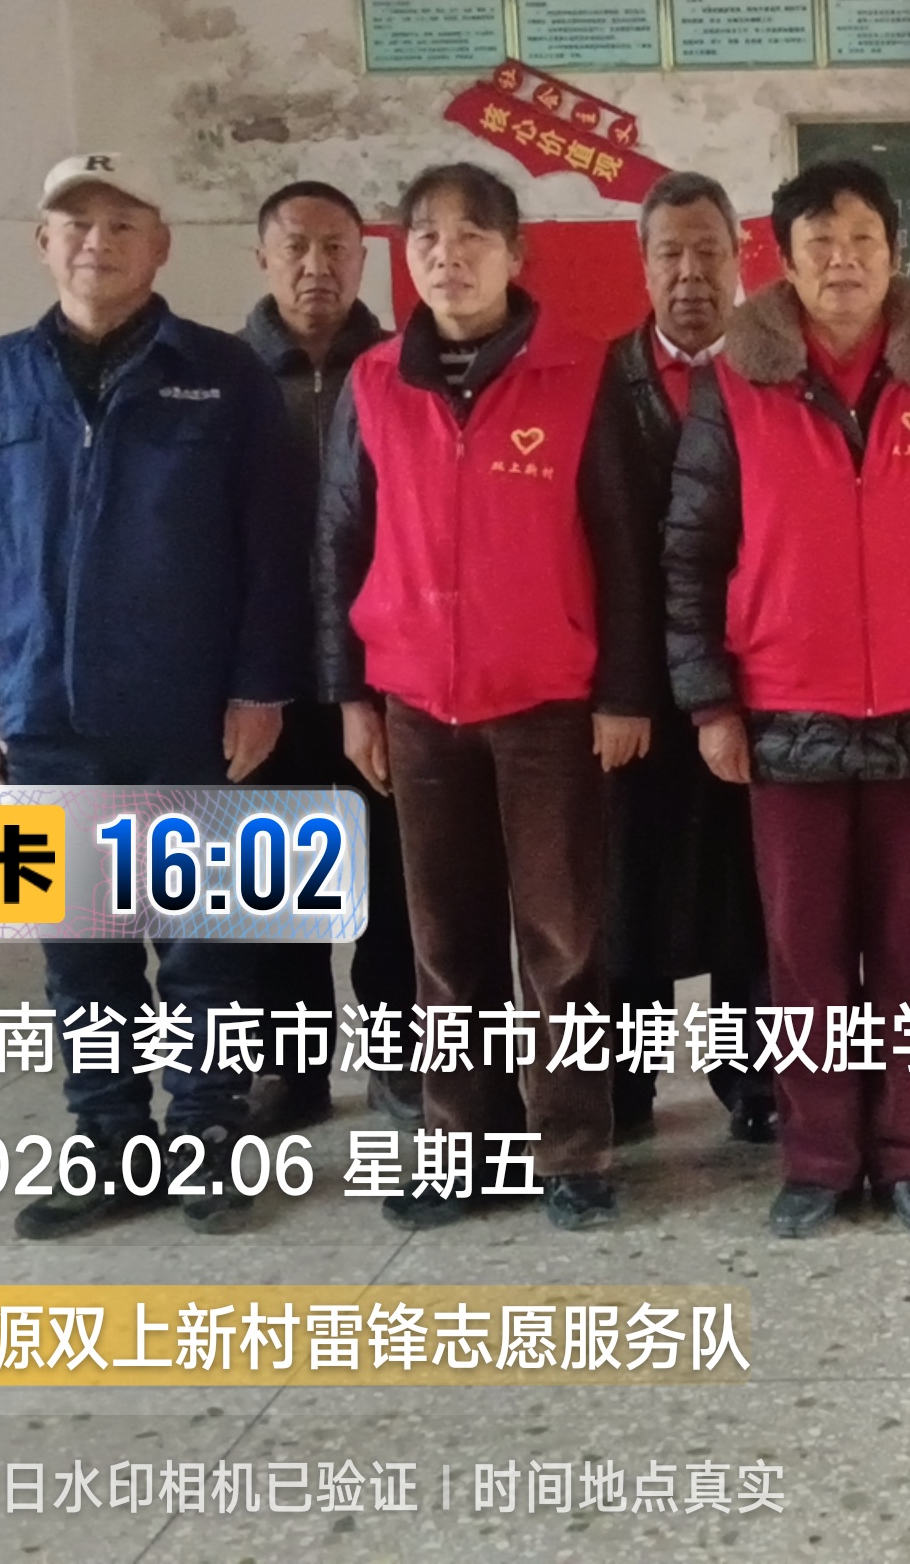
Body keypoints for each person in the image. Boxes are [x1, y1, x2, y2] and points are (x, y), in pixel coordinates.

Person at [0, 152, 306, 1239]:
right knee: (81, 950)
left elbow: (272, 549)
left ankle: (207, 1135)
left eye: (122, 223)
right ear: (44, 244)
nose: (98, 241)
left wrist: (260, 685)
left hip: (190, 712)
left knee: (206, 943)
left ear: (161, 245)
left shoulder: (225, 376)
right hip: (42, 712)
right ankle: (110, 1141)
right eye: (76, 223)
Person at [664, 159, 910, 1240]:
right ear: (785, 260)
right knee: (803, 956)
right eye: (819, 243)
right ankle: (818, 1156)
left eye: (862, 239)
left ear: (895, 252)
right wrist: (709, 702)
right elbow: (692, 549)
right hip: (785, 707)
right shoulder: (738, 384)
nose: (843, 261)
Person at [316, 161, 663, 1233]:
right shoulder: (376, 381)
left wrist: (623, 691)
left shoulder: (578, 371)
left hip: (549, 704)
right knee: (444, 944)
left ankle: (573, 1149)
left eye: (473, 236)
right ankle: (461, 1145)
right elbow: (340, 540)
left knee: (561, 941)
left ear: (516, 253)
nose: (448, 255)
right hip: (419, 704)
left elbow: (622, 543)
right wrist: (352, 696)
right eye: (426, 237)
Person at [237, 179, 420, 1133]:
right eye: (296, 248)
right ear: (263, 258)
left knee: (393, 881)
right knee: (277, 884)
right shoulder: (225, 379)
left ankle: (400, 1064)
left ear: (364, 258)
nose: (318, 267)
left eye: (338, 248)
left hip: (380, 671)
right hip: (266, 677)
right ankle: (291, 1068)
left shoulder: (401, 370)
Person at [602, 170, 776, 1147]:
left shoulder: (775, 376)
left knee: (751, 891)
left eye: (708, 250)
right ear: (642, 264)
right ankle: (621, 1084)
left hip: (751, 681)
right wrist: (615, 687)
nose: (690, 273)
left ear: (740, 256)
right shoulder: (599, 384)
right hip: (632, 693)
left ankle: (756, 1079)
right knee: (627, 893)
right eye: (669, 253)